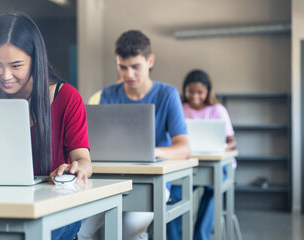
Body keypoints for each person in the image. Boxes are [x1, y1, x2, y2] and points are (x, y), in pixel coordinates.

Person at [0, 12, 92, 240]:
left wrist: (74, 170)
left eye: (16, 65)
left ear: (35, 60)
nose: (5, 75)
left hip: (55, 210)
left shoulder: (67, 98)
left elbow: (83, 160)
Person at [78, 30, 190, 240]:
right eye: (122, 67)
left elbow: (184, 149)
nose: (128, 74)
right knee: (80, 232)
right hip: (108, 182)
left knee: (128, 231)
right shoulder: (109, 94)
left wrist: (149, 151)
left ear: (150, 61)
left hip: (150, 184)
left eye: (135, 67)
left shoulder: (168, 94)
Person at [167, 69, 236, 240]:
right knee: (173, 194)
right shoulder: (180, 108)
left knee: (213, 189)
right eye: (190, 91)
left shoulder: (217, 109)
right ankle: (174, 237)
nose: (195, 96)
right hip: (188, 163)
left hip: (217, 166)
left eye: (200, 92)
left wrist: (221, 148)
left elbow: (232, 142)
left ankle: (200, 236)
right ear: (184, 90)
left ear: (208, 91)